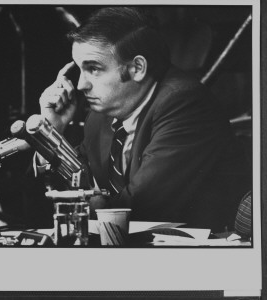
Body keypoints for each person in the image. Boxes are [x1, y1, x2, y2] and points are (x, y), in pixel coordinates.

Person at [35, 7, 251, 233]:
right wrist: (50, 134)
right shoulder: (100, 116)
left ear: (137, 68)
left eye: (94, 69)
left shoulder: (184, 104)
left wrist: (82, 201)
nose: (81, 85)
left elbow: (137, 208)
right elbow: (71, 186)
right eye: (79, 69)